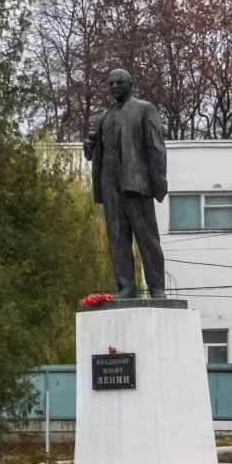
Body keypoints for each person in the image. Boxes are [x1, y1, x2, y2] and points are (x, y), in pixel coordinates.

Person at [83, 67, 170, 298]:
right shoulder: (104, 116)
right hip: (109, 182)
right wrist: (89, 148)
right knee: (117, 237)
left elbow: (156, 147)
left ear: (130, 84)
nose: (114, 87)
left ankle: (156, 287)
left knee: (146, 237)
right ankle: (126, 286)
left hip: (136, 182)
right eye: (111, 83)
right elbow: (97, 150)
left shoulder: (144, 109)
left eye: (119, 82)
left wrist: (159, 182)